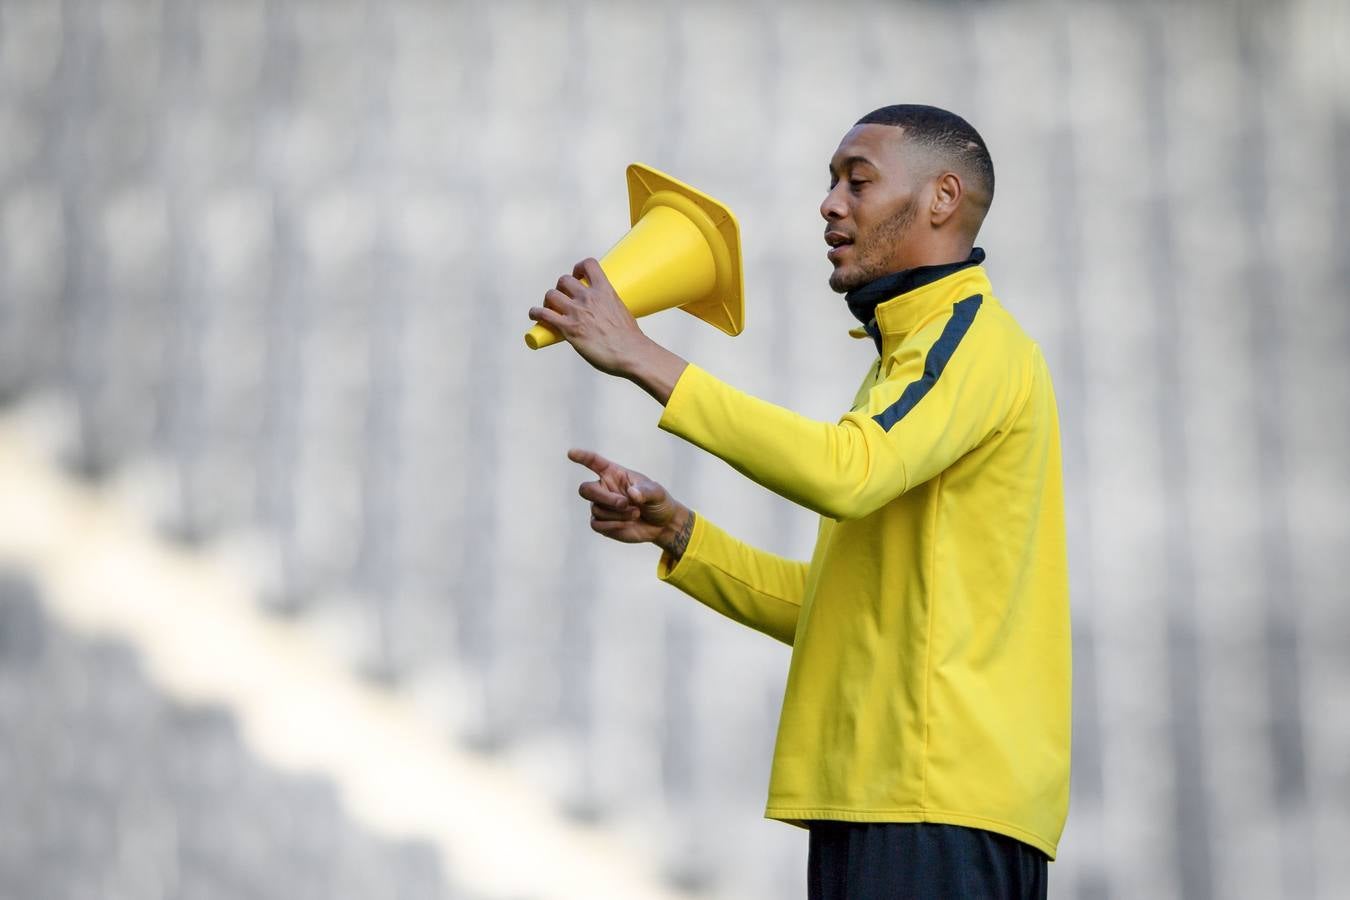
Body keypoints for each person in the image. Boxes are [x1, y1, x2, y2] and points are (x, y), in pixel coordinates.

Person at [528, 104, 1070, 900]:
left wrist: (645, 357)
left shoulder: (971, 338)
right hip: (891, 805)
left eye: (857, 181)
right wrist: (681, 535)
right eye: (830, 183)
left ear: (942, 199)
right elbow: (836, 611)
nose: (829, 204)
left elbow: (847, 472)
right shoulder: (909, 359)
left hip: (933, 808)